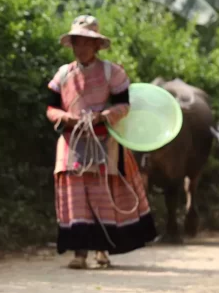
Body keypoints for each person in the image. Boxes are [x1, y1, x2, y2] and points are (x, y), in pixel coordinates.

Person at [46, 15, 156, 269]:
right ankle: (79, 253)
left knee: (102, 195)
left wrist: (103, 116)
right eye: (77, 41)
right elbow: (51, 107)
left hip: (104, 141)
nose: (81, 47)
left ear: (96, 45)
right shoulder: (63, 74)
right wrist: (66, 118)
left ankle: (102, 249)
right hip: (72, 142)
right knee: (76, 198)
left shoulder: (112, 72)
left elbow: (124, 104)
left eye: (86, 42)